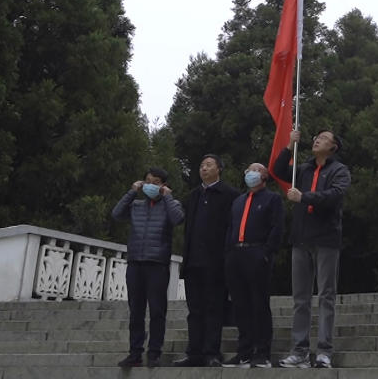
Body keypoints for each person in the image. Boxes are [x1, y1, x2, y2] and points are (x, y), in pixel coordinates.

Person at [274, 129, 351, 369]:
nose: (317, 139)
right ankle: (299, 351)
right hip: (301, 239)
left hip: (326, 239)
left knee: (326, 295)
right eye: (316, 137)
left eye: (324, 138)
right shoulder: (305, 168)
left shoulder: (339, 170)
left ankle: (324, 351)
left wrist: (303, 197)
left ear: (334, 147)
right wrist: (288, 146)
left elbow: (334, 196)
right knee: (301, 298)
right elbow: (278, 171)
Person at [111, 167, 185, 368]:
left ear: (163, 185)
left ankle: (154, 353)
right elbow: (116, 214)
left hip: (157, 264)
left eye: (156, 182)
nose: (151, 185)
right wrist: (131, 191)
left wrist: (168, 197)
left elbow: (178, 219)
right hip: (135, 262)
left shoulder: (172, 204)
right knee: (136, 311)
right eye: (148, 181)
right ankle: (135, 353)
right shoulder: (136, 205)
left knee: (157, 311)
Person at [174, 154, 240, 367]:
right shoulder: (193, 195)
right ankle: (194, 352)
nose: (204, 168)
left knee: (214, 309)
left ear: (219, 169)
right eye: (201, 165)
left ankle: (212, 352)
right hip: (193, 262)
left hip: (217, 262)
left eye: (209, 165)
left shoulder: (230, 195)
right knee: (195, 311)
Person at [223, 163, 284, 369]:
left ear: (265, 176)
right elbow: (230, 227)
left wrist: (266, 253)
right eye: (248, 169)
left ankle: (262, 352)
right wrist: (229, 253)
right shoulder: (238, 200)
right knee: (240, 306)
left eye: (256, 170)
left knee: (259, 304)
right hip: (236, 254)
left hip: (257, 253)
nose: (251, 173)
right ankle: (244, 351)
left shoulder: (272, 199)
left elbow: (277, 227)